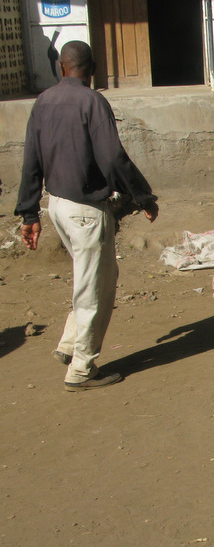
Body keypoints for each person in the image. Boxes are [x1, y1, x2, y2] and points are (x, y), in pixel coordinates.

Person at [14, 40, 159, 391]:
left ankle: (69, 344)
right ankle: (81, 369)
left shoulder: (43, 101)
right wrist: (142, 196)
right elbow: (112, 157)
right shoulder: (92, 101)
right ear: (92, 70)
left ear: (61, 67)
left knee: (97, 277)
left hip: (57, 206)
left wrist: (30, 213)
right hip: (86, 212)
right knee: (95, 289)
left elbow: (31, 160)